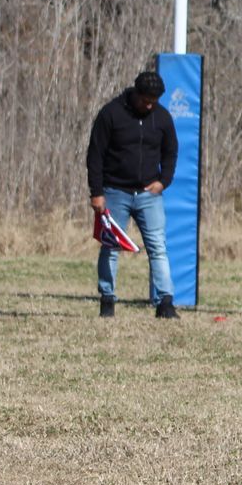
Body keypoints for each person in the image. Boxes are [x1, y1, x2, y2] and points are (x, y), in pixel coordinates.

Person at [87, 70, 179, 319]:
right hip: (115, 192)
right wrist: (97, 193)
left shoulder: (162, 118)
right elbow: (95, 155)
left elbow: (171, 152)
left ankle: (165, 302)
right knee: (110, 248)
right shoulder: (111, 113)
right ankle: (107, 299)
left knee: (158, 247)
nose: (148, 105)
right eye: (145, 100)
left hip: (149, 194)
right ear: (135, 93)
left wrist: (163, 181)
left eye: (154, 101)